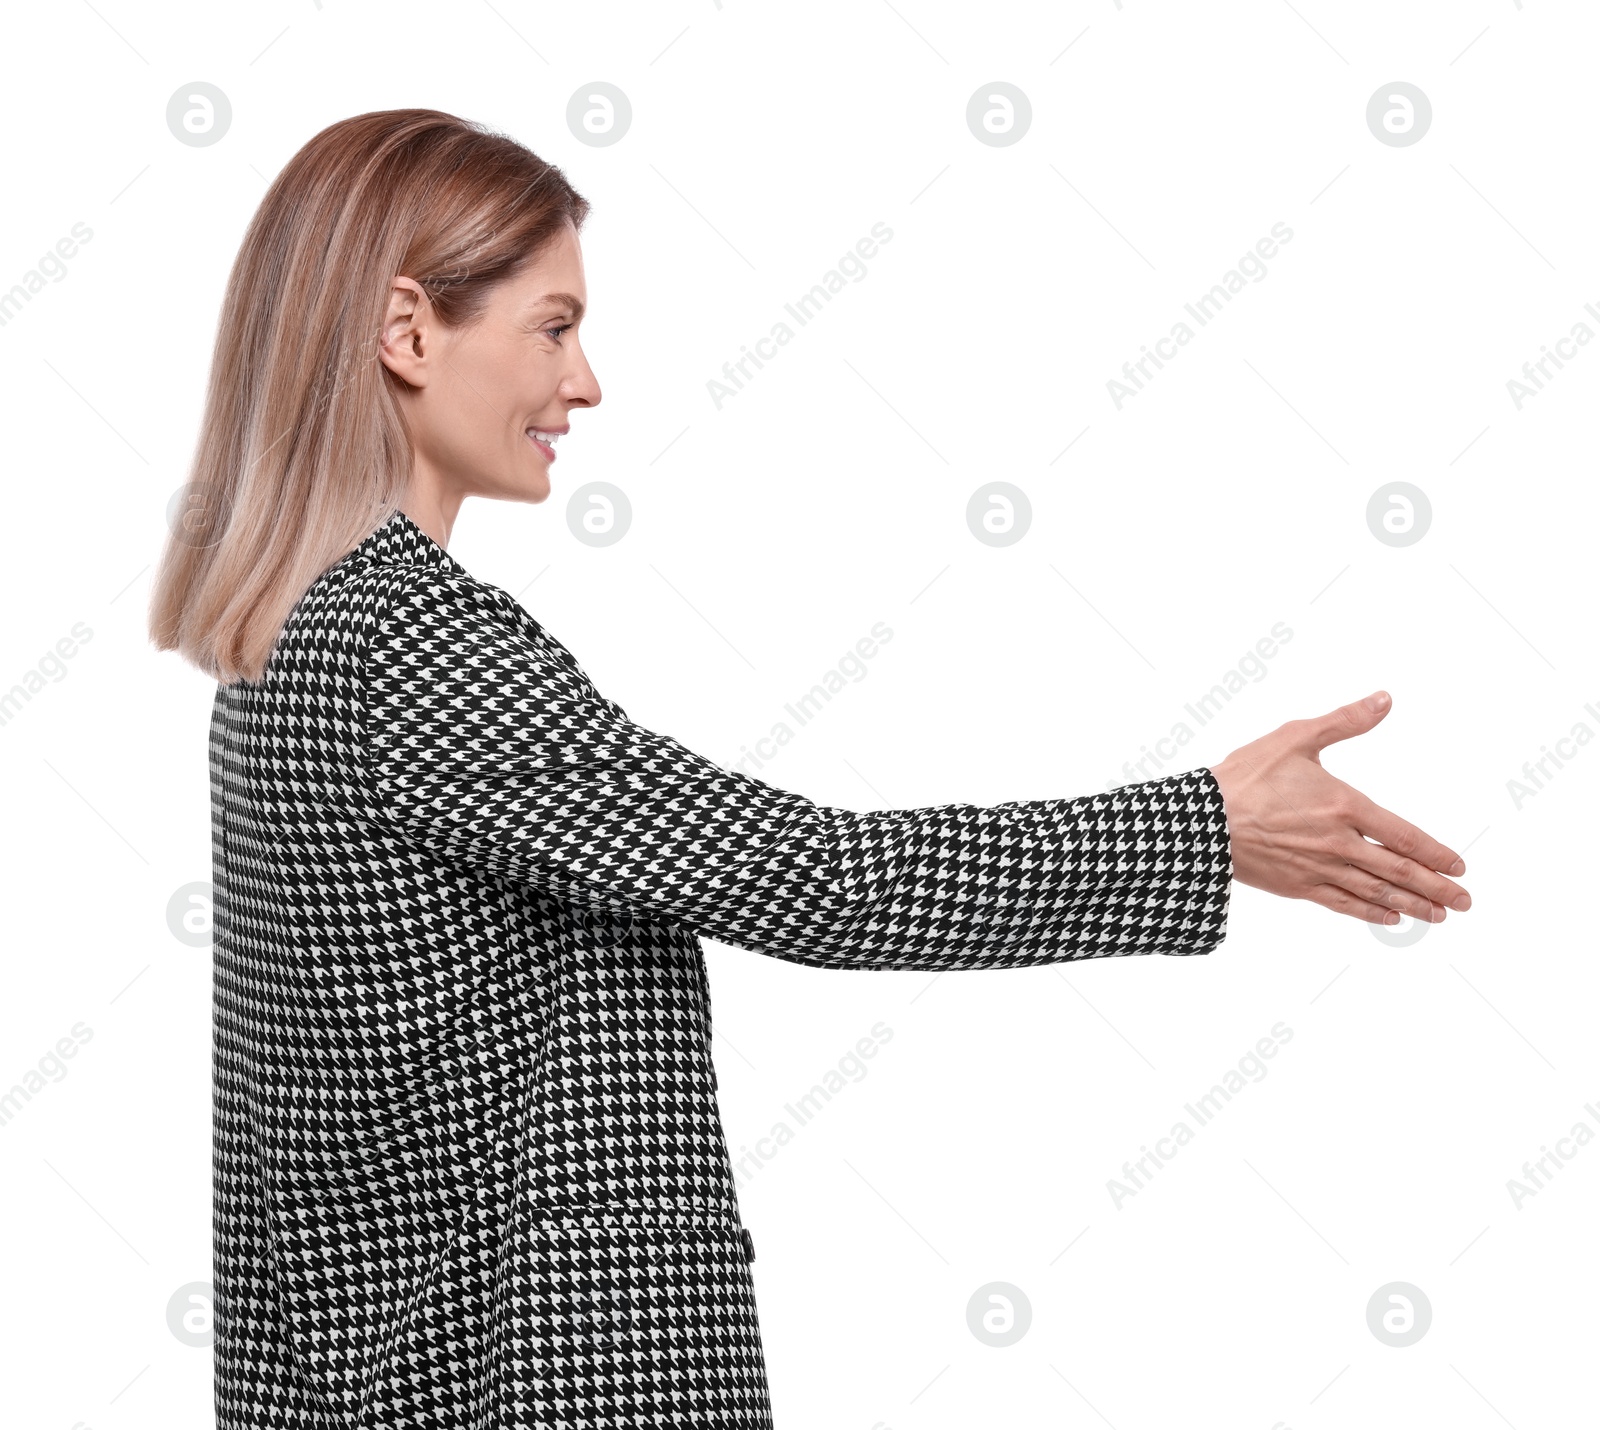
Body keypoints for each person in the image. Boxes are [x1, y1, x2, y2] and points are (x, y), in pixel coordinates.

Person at [148, 108, 1471, 1430]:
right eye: (554, 325)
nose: (589, 380)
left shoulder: (285, 645)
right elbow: (819, 880)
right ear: (408, 331)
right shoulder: (416, 643)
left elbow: (292, 1168)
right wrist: (1207, 825)